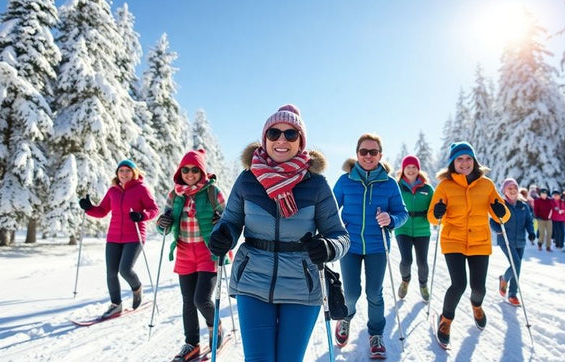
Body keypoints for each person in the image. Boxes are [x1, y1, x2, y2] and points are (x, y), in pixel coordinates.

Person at [207, 104, 350, 361]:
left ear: (300, 141)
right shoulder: (247, 179)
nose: (281, 139)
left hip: (301, 286)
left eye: (290, 134)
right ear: (265, 139)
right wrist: (223, 235)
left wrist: (329, 247)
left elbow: (340, 236)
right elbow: (230, 221)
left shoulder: (315, 184)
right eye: (274, 133)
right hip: (253, 281)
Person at [426, 141, 510, 349]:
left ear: (474, 161)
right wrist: (437, 213)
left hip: (480, 241)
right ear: (453, 163)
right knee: (459, 284)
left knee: (478, 287)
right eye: (460, 159)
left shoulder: (486, 185)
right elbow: (432, 218)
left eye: (468, 158)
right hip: (453, 240)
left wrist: (501, 211)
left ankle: (477, 306)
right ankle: (446, 321)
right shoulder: (445, 186)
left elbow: (503, 217)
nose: (464, 163)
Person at [332, 133, 408, 359]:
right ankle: (346, 318)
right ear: (357, 154)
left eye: (373, 152)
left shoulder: (390, 183)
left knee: (374, 293)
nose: (368, 156)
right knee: (352, 293)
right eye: (363, 152)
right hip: (350, 246)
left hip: (378, 246)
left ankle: (376, 335)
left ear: (380, 155)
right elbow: (330, 209)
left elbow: (402, 213)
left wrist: (390, 219)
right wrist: (335, 225)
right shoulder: (345, 181)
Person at [155, 150, 227, 361]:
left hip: (208, 252)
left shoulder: (212, 191)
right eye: (185, 170)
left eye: (195, 170)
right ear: (180, 172)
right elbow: (162, 228)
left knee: (201, 299)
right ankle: (191, 343)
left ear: (202, 172)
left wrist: (220, 221)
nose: (190, 173)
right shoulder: (175, 194)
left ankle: (216, 327)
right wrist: (162, 223)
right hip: (184, 252)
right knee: (188, 301)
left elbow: (229, 218)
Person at [78, 159, 159, 318]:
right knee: (111, 272)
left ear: (134, 173)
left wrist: (142, 215)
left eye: (128, 171)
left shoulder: (141, 189)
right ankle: (116, 305)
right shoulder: (112, 191)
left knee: (125, 270)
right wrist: (89, 208)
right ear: (117, 173)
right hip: (114, 237)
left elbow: (154, 209)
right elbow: (102, 211)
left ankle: (136, 288)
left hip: (134, 236)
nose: (124, 174)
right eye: (121, 171)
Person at [394, 155, 435, 302]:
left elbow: (434, 209)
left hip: (422, 229)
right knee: (406, 260)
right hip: (402, 228)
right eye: (408, 167)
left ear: (418, 169)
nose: (411, 170)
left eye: (414, 167)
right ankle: (405, 281)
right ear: (403, 169)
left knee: (422, 262)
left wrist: (438, 212)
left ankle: (423, 285)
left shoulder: (427, 189)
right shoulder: (397, 186)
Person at [490, 178, 536, 306]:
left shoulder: (523, 206)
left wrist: (531, 232)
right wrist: (499, 230)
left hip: (520, 240)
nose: (512, 190)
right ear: (504, 191)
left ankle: (512, 294)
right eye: (509, 188)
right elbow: (492, 222)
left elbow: (529, 221)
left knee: (518, 266)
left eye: (514, 188)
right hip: (506, 240)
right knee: (516, 264)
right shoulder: (501, 205)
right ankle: (505, 281)